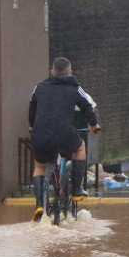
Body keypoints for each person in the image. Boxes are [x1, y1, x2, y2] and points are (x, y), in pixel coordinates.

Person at [29, 57, 101, 222]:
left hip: (41, 135)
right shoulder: (75, 88)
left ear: (52, 72)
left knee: (40, 166)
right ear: (71, 71)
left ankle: (39, 204)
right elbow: (87, 107)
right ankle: (77, 190)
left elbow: (32, 110)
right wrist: (93, 125)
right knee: (80, 147)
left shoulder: (39, 87)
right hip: (64, 134)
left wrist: (32, 127)